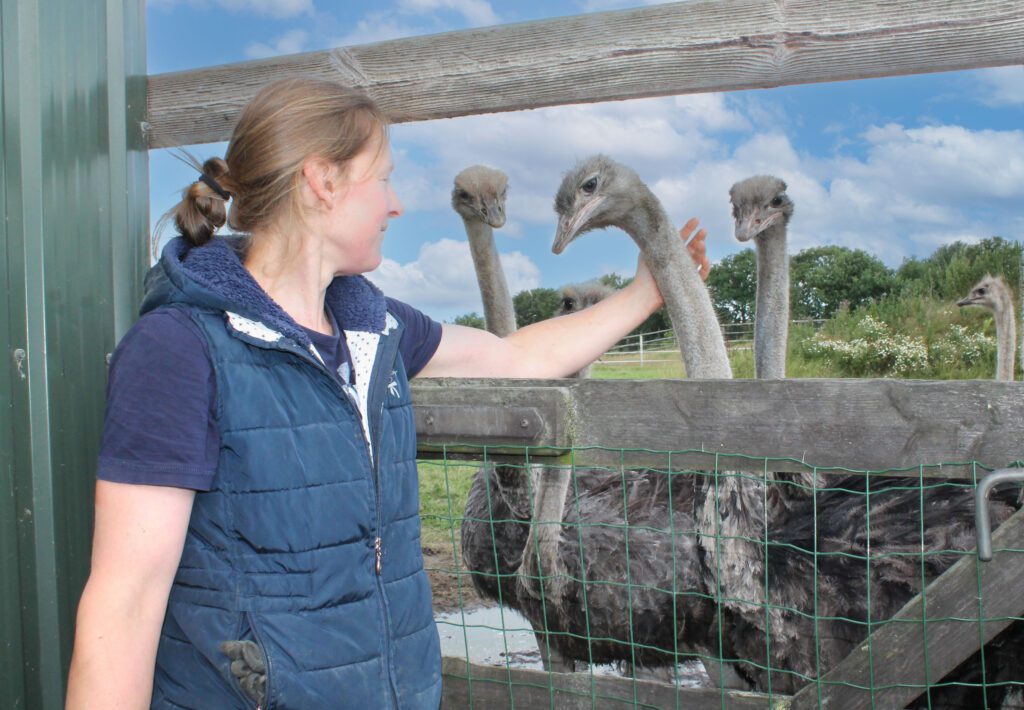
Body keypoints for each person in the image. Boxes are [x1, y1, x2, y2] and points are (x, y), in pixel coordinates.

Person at [65, 77, 710, 709]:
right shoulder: (177, 349)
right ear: (323, 182)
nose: (395, 203)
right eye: (383, 179)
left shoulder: (374, 327)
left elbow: (519, 356)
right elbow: (123, 608)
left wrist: (646, 294)